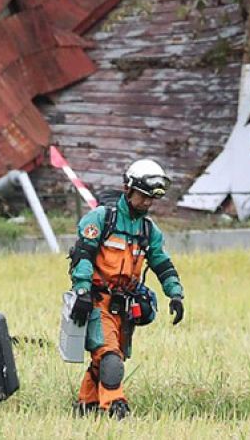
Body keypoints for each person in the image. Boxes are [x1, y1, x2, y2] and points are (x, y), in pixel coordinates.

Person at [65, 158, 185, 420]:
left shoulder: (148, 230)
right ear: (127, 189)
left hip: (124, 307)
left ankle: (86, 404)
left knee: (108, 356)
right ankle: (114, 406)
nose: (147, 203)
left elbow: (161, 263)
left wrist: (175, 293)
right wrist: (82, 291)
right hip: (98, 300)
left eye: (151, 198)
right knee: (109, 357)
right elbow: (82, 256)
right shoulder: (101, 219)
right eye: (143, 196)